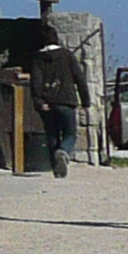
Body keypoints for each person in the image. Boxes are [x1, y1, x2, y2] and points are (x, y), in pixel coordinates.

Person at [32, 34, 84, 177]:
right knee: (70, 133)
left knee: (52, 134)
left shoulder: (37, 58)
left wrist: (39, 101)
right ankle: (63, 151)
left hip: (47, 102)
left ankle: (56, 169)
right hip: (66, 100)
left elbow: (36, 82)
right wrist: (86, 101)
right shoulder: (67, 55)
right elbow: (79, 78)